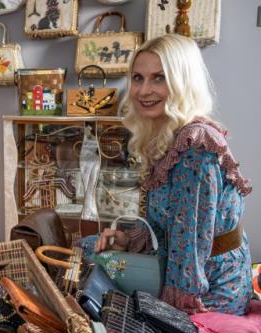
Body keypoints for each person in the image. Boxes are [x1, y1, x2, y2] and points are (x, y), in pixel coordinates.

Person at [94, 34, 252, 316]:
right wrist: (129, 240)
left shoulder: (194, 147)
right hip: (191, 271)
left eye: (159, 78)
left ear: (182, 82)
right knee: (91, 256)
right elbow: (172, 223)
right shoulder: (168, 136)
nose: (143, 91)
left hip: (210, 290)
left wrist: (171, 312)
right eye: (137, 78)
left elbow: (190, 246)